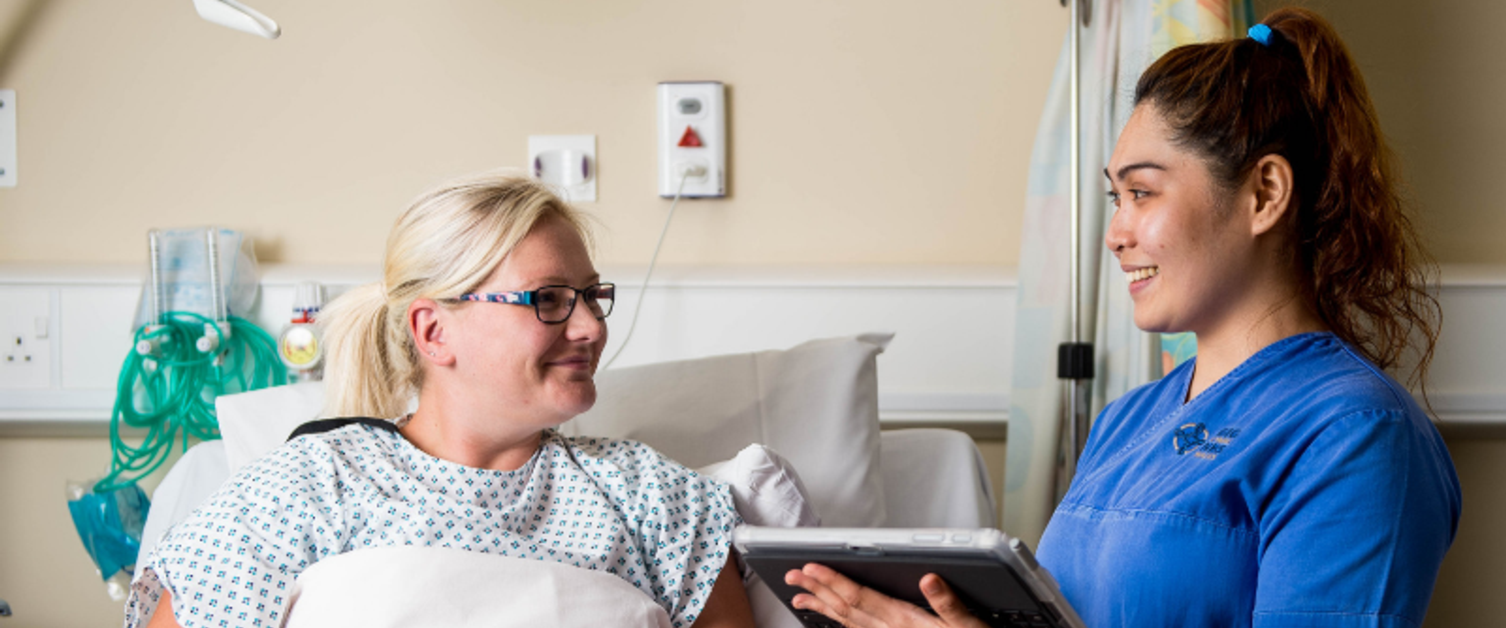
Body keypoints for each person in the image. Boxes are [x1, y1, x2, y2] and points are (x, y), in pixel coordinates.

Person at [785, 8, 1461, 627]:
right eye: (1116, 198)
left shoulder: (1355, 437)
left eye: (1142, 192)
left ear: (1265, 193)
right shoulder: (1126, 422)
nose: (1115, 232)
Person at [124, 174, 755, 628]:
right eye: (551, 299)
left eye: (594, 296)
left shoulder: (655, 498)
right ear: (434, 331)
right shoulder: (303, 491)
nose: (591, 327)